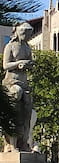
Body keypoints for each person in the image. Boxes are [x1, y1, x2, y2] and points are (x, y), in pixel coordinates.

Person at [2, 22, 36, 152]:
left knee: (27, 112)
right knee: (15, 104)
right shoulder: (10, 46)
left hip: (24, 82)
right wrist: (19, 63)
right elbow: (5, 65)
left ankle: (23, 142)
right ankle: (11, 144)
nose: (26, 37)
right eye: (24, 34)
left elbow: (30, 62)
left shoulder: (27, 48)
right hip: (11, 82)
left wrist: (28, 64)